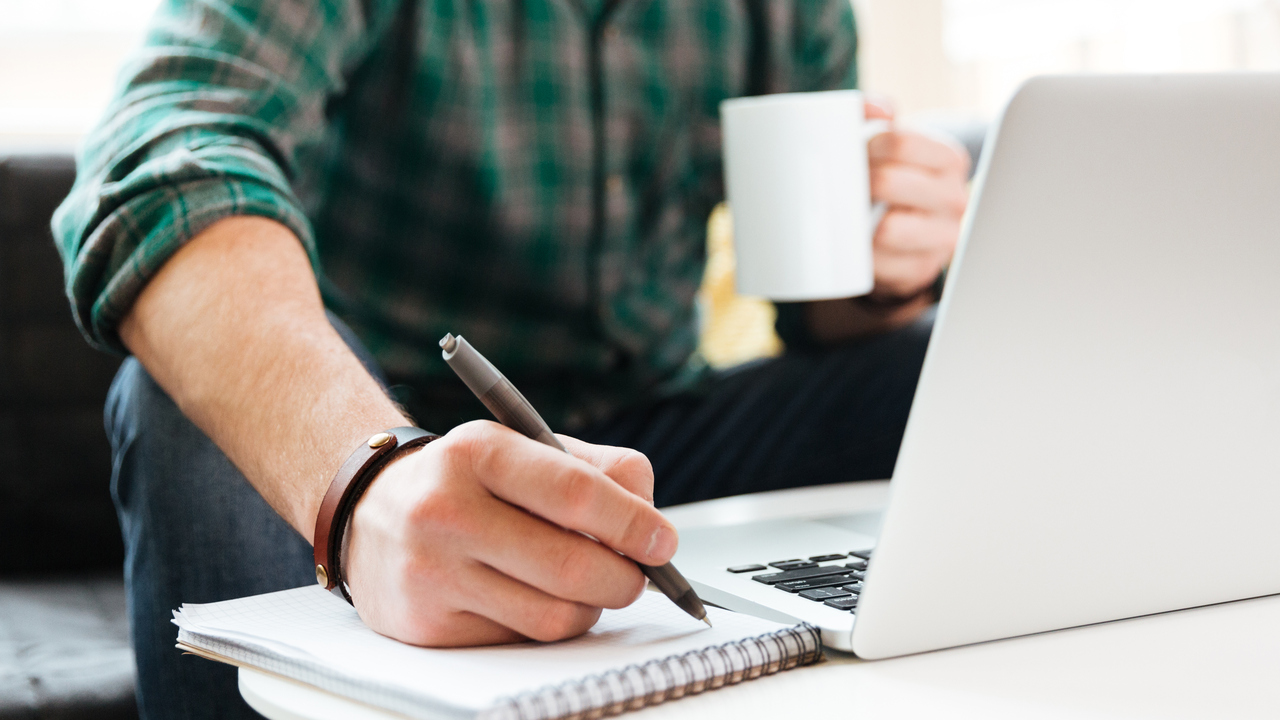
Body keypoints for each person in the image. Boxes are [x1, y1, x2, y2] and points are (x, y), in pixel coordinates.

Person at [52, 1, 969, 717]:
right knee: (183, 410)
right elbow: (160, 158)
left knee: (938, 371)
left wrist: (884, 264)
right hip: (391, 432)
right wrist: (365, 478)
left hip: (648, 450)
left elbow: (818, 315)